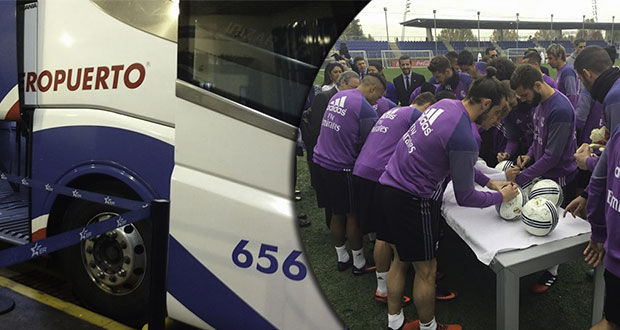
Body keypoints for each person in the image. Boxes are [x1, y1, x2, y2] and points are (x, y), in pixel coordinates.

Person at [379, 69, 518, 330]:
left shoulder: (446, 104)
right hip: (413, 198)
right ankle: (429, 327)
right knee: (427, 269)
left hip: (389, 184)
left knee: (401, 259)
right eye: (498, 113)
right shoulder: (466, 135)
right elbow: (465, 197)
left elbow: (455, 159)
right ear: (486, 103)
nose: (496, 121)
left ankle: (395, 322)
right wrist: (499, 197)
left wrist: (488, 181)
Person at [353, 92, 436, 308]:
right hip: (380, 174)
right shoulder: (416, 115)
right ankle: (384, 288)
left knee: (383, 232)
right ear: (427, 106)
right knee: (385, 234)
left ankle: (382, 285)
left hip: (362, 168)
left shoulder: (393, 111)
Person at [506, 64, 578, 294]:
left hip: (560, 174)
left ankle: (552, 271)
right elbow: (539, 141)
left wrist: (522, 178)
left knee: (552, 221)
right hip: (544, 171)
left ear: (537, 85)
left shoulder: (560, 109)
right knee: (537, 216)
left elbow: (553, 155)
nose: (523, 100)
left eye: (525, 95)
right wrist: (528, 156)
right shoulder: (538, 104)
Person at [313, 73, 386, 276]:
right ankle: (359, 261)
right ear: (372, 89)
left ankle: (341, 256)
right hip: (341, 167)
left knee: (336, 212)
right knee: (352, 215)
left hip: (321, 161)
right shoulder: (365, 110)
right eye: (379, 96)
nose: (378, 100)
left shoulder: (339, 96)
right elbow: (369, 144)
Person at [573, 45, 620, 330]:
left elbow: (612, 167)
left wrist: (587, 163)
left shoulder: (614, 98)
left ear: (587, 74)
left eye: (581, 80)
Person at [302, 71, 360, 229]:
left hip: (338, 155)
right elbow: (317, 128)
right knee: (333, 202)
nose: (357, 91)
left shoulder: (351, 101)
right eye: (353, 87)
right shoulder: (326, 97)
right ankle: (332, 225)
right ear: (341, 84)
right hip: (327, 156)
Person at [546, 43, 579, 108]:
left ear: (559, 56)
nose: (548, 62)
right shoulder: (561, 71)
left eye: (550, 58)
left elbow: (572, 96)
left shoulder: (567, 71)